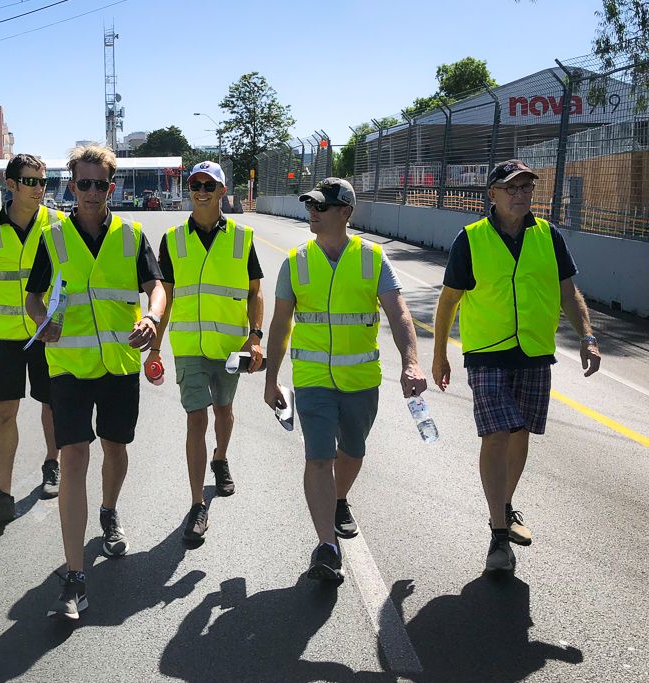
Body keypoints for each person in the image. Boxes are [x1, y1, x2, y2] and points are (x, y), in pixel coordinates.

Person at [432, 159, 601, 574]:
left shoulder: (548, 234)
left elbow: (567, 290)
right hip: (487, 353)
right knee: (496, 434)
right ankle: (497, 535)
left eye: (527, 187)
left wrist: (587, 335)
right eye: (512, 188)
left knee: (521, 430)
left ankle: (505, 506)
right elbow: (449, 300)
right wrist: (439, 353)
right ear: (492, 194)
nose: (522, 194)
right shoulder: (470, 239)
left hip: (535, 352)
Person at [25, 144, 166, 620]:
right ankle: (75, 575)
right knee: (74, 456)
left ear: (112, 186)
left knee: (115, 448)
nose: (90, 192)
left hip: (121, 366)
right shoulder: (55, 238)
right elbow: (32, 298)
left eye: (99, 183)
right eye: (81, 183)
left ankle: (108, 512)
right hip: (68, 367)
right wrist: (44, 321)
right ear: (71, 185)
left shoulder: (131, 235)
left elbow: (157, 286)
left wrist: (152, 316)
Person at [264, 178, 427, 583]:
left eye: (322, 206)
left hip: (361, 380)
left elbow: (400, 314)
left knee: (352, 451)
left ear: (345, 212)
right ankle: (326, 547)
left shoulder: (373, 259)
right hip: (313, 378)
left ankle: (340, 499)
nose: (313, 211)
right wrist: (272, 379)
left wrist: (411, 362)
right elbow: (281, 323)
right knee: (318, 457)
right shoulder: (296, 261)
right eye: (311, 205)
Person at [149, 160, 264, 543]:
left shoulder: (242, 237)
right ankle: (197, 505)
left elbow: (255, 292)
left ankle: (220, 458)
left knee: (225, 412)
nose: (200, 190)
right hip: (188, 347)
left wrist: (256, 337)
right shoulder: (173, 239)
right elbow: (163, 293)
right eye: (195, 184)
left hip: (229, 347)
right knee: (195, 419)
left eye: (208, 185)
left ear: (221, 191)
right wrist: (154, 348)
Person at [0, 154, 62, 523]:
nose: (39, 189)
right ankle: (2, 494)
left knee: (51, 404)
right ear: (12, 184)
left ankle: (53, 463)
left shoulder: (57, 225)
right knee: (4, 413)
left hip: (46, 333)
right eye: (31, 181)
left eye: (43, 182)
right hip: (4, 339)